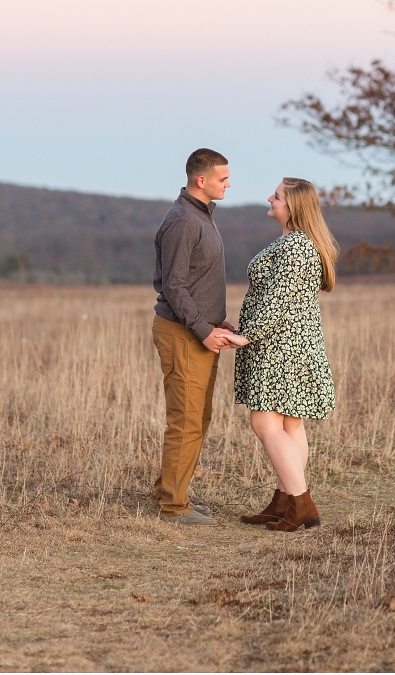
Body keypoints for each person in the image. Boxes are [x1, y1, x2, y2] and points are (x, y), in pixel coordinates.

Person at [233, 177, 338, 532]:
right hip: (290, 344)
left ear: (293, 206)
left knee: (264, 422)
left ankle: (301, 503)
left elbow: (276, 302)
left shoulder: (295, 247)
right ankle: (284, 502)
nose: (270, 198)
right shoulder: (295, 243)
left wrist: (246, 336)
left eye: (276, 196)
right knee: (290, 423)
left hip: (282, 347)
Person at [152, 148, 239, 526]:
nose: (228, 183)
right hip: (183, 334)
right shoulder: (183, 221)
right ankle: (173, 507)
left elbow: (198, 282)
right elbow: (174, 286)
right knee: (185, 420)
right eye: (222, 178)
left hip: (200, 332)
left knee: (197, 419)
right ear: (200, 180)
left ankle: (174, 494)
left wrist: (218, 325)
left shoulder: (201, 216)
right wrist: (204, 330)